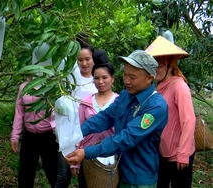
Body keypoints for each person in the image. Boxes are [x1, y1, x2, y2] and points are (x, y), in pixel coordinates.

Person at [65, 50, 169, 188]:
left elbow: (127, 138)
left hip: (138, 177)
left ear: (149, 78)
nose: (126, 81)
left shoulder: (156, 107)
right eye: (125, 75)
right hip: (118, 169)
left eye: (132, 77)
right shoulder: (127, 95)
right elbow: (106, 116)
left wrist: (87, 152)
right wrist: (77, 133)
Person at [145, 36, 196, 188]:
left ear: (169, 65)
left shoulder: (179, 86)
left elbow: (189, 120)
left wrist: (183, 153)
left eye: (159, 65)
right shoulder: (159, 87)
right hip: (162, 152)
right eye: (152, 66)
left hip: (178, 154)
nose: (155, 70)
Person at [10, 45, 59, 188]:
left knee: (53, 172)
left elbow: (55, 113)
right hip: (29, 136)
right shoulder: (24, 87)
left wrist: (58, 136)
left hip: (48, 136)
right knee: (26, 173)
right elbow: (19, 112)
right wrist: (15, 135)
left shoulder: (51, 86)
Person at [71, 50, 119, 187]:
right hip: (87, 157)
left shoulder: (120, 102)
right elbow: (80, 131)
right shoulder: (85, 102)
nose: (100, 81)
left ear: (113, 78)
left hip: (112, 158)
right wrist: (75, 163)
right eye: (96, 78)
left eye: (105, 77)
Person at [55, 33, 97, 188]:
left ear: (93, 59)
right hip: (68, 132)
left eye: (88, 59)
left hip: (89, 134)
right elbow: (59, 104)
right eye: (80, 60)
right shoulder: (69, 79)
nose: (84, 63)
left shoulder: (98, 80)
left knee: (86, 178)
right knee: (64, 175)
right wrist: (57, 128)